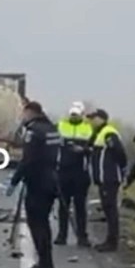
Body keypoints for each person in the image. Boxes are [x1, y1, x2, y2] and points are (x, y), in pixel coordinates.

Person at [6, 101, 60, 268]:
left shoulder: (33, 131)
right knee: (44, 223)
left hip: (37, 182)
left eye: (24, 113)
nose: (22, 117)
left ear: (30, 112)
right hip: (52, 181)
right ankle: (47, 261)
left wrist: (15, 181)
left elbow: (28, 160)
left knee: (37, 224)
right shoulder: (52, 129)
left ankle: (45, 264)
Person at [87, 109, 128, 252]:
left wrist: (121, 170)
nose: (91, 121)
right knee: (107, 208)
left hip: (109, 177)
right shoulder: (98, 133)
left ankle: (112, 242)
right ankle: (109, 240)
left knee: (111, 209)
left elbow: (120, 153)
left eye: (94, 118)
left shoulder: (109, 133)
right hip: (103, 178)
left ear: (102, 119)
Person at [55, 103, 93, 247]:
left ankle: (82, 236)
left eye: (76, 114)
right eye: (72, 114)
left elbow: (93, 149)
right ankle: (62, 235)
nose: (74, 117)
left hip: (80, 172)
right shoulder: (60, 126)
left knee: (80, 207)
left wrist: (83, 150)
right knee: (63, 206)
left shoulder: (88, 128)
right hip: (63, 171)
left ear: (82, 115)